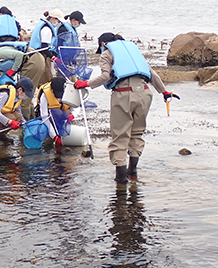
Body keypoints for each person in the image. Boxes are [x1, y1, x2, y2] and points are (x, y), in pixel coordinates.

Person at [74, 32, 180, 183]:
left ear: (103, 44)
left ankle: (121, 181)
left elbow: (106, 77)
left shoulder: (107, 53)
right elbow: (152, 74)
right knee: (136, 134)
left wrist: (85, 84)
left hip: (124, 95)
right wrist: (164, 92)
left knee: (120, 137)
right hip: (145, 93)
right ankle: (133, 173)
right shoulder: (133, 51)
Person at [0, 42, 45, 120]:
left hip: (32, 61)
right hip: (35, 61)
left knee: (24, 98)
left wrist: (13, 70)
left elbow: (19, 55)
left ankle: (25, 125)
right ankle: (32, 120)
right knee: (27, 99)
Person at [35, 76, 74, 150]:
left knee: (65, 116)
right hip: (50, 113)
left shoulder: (70, 90)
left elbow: (77, 106)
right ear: (51, 89)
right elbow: (44, 117)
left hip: (63, 109)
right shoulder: (44, 95)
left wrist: (73, 116)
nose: (59, 97)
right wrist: (54, 137)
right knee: (55, 115)